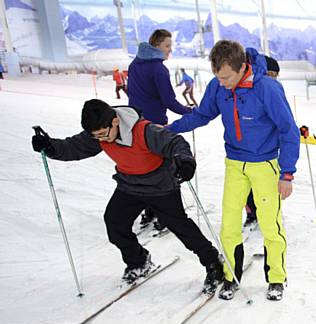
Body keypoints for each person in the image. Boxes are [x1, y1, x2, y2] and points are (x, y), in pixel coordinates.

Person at [30, 99, 224, 292]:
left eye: (103, 135)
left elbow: (176, 142)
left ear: (115, 121)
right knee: (114, 223)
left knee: (181, 228)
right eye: (96, 137)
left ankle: (213, 262)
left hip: (161, 187)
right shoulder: (100, 133)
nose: (101, 140)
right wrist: (50, 147)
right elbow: (73, 147)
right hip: (129, 185)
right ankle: (139, 261)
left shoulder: (144, 130)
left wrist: (185, 161)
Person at [168, 40, 299, 302]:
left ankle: (276, 278)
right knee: (228, 225)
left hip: (264, 164)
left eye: (227, 77)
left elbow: (288, 131)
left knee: (270, 225)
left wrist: (287, 174)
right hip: (234, 164)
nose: (222, 82)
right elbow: (202, 115)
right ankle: (231, 276)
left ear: (242, 68)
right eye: (218, 77)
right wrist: (168, 129)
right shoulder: (219, 86)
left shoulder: (267, 89)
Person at [128, 29, 193, 232]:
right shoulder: (158, 69)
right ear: (156, 46)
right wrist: (188, 112)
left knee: (145, 167)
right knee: (165, 170)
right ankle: (165, 216)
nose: (169, 50)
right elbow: (168, 100)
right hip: (155, 125)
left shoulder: (134, 64)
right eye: (166, 46)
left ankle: (149, 211)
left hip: (136, 123)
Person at [244, 55, 281, 229]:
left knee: (264, 186)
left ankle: (265, 215)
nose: (275, 78)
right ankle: (252, 213)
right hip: (249, 150)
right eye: (274, 74)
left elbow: (280, 121)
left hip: (267, 150)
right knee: (248, 185)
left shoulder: (272, 89)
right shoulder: (253, 89)